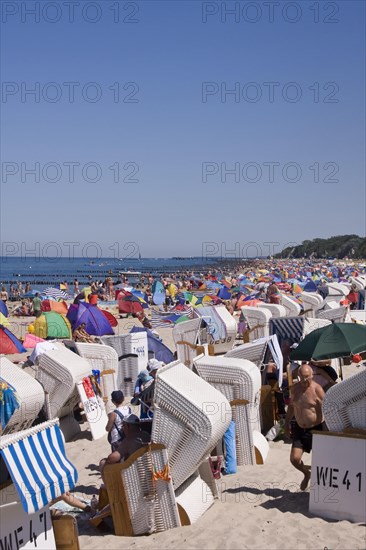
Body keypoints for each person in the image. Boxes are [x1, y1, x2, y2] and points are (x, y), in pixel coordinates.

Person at [284, 364, 326, 491]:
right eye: (301, 377)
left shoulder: (317, 389)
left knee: (320, 461)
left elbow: (328, 408)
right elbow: (291, 407)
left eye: (307, 377)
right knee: (294, 459)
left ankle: (320, 487)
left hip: (316, 428)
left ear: (312, 376)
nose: (304, 380)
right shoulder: (294, 389)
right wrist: (286, 424)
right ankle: (307, 473)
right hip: (299, 427)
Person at [99, 414, 151, 480]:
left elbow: (113, 457)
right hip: (147, 466)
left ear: (128, 426)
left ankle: (109, 489)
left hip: (132, 472)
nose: (123, 429)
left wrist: (106, 462)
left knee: (102, 463)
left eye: (123, 426)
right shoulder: (145, 434)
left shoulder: (129, 440)